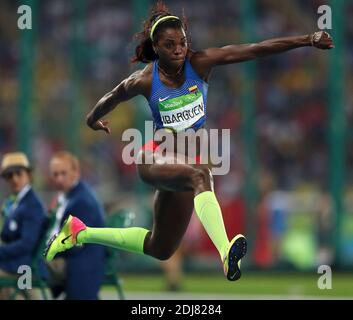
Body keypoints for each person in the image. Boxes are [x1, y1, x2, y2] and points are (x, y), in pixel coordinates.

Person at [44, 1, 334, 281]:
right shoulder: (145, 80)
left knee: (161, 247)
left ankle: (79, 232)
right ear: (156, 48)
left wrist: (308, 39)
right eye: (170, 45)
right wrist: (92, 120)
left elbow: (253, 49)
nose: (179, 50)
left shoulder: (200, 63)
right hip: (152, 157)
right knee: (203, 174)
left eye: (182, 42)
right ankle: (226, 251)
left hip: (181, 166)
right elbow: (112, 97)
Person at [46, 151, 105, 300]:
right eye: (55, 174)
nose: (59, 178)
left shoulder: (81, 201)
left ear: (76, 172)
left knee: (26, 266)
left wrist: (45, 252)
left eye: (63, 173)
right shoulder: (68, 196)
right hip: (73, 260)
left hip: (81, 265)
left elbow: (76, 244)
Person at [0, 152, 48, 299]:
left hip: (25, 265)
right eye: (9, 176)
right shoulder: (17, 203)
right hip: (18, 262)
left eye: (18, 174)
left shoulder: (31, 204)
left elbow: (27, 243)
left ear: (28, 174)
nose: (14, 179)